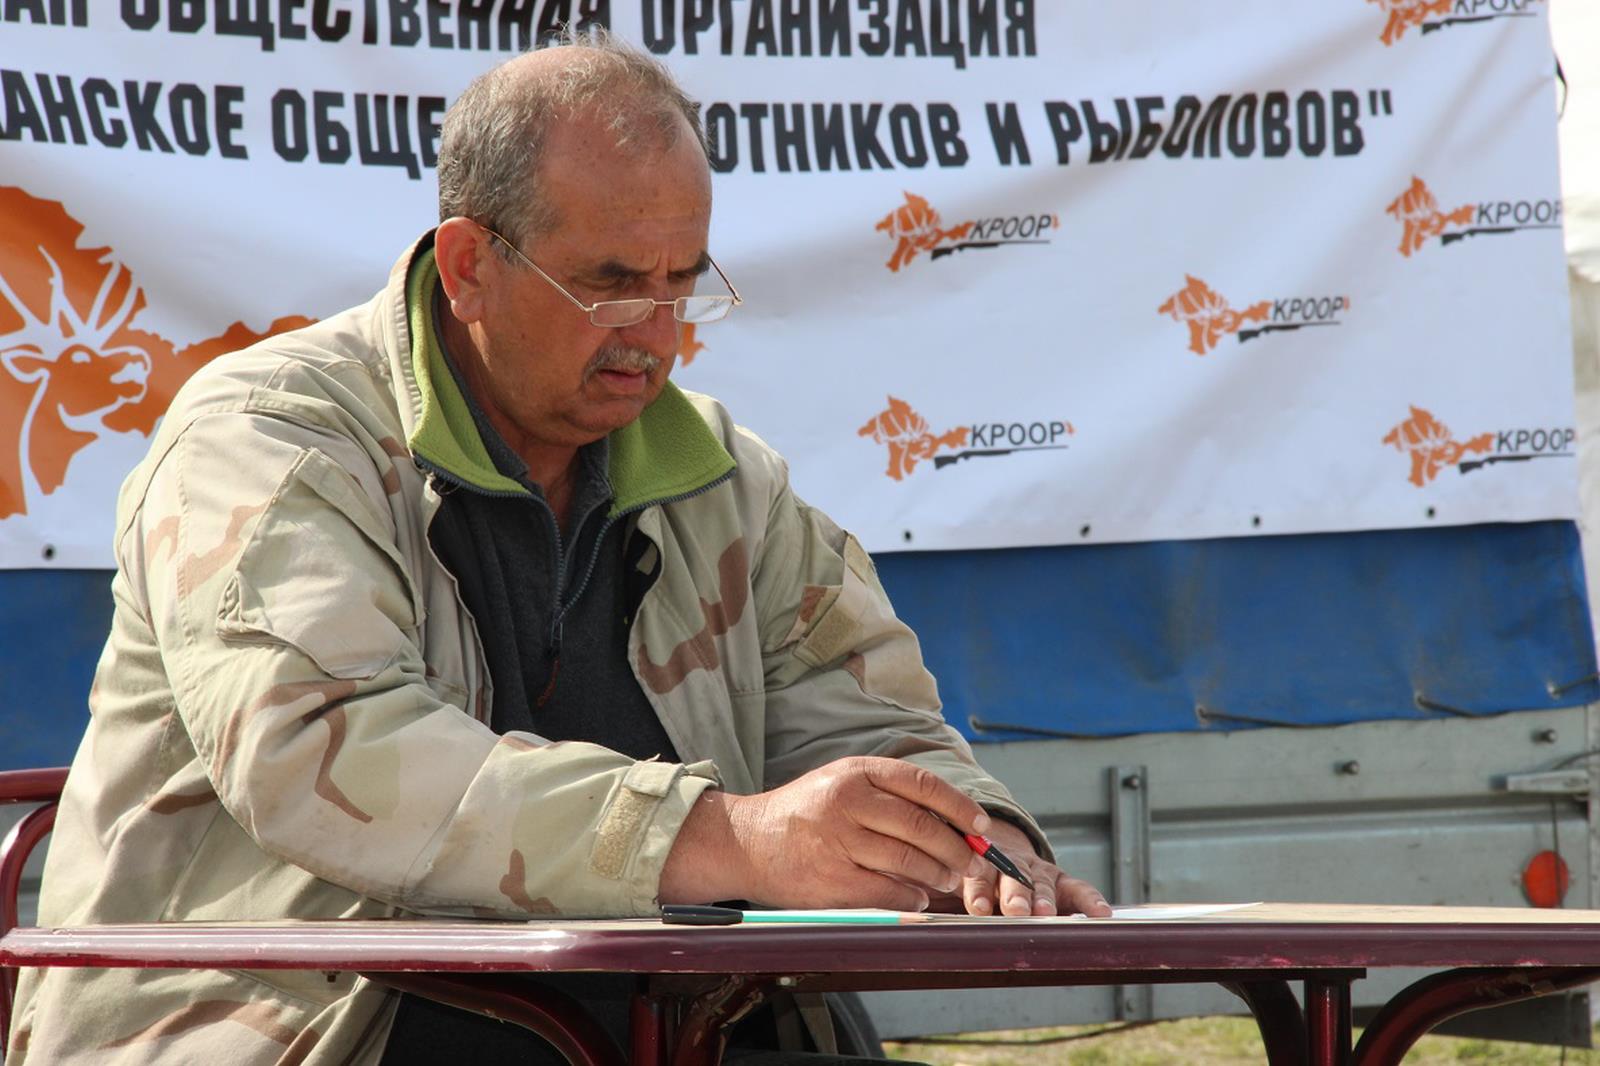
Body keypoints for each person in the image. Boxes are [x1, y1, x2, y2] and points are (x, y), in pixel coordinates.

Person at [7, 31, 1110, 1066]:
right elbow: (319, 749)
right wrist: (728, 839)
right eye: (612, 284)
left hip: (659, 1017)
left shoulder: (724, 477)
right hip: (304, 1028)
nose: (656, 334)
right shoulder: (270, 436)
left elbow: (875, 730)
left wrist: (979, 847)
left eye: (682, 282)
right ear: (468, 264)